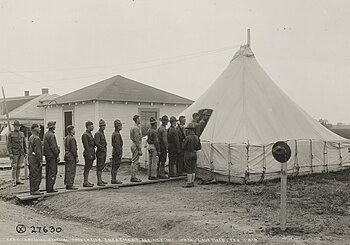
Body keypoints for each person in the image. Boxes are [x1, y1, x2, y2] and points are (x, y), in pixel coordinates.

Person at [7, 120, 27, 186]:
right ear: (14, 126)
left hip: (21, 153)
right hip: (14, 153)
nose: (18, 127)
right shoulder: (10, 134)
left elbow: (24, 144)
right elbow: (9, 145)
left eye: (19, 126)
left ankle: (18, 179)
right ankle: (14, 180)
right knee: (14, 167)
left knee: (19, 166)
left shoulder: (22, 134)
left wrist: (26, 152)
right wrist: (10, 153)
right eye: (16, 126)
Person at [182, 123, 201, 188]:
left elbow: (183, 147)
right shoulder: (197, 137)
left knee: (189, 168)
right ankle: (192, 182)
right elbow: (199, 147)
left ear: (189, 130)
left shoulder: (187, 138)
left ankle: (189, 182)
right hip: (194, 153)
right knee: (193, 168)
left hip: (188, 153)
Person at [43, 121, 60, 193]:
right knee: (53, 172)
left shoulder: (46, 134)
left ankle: (48, 187)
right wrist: (57, 155)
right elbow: (53, 147)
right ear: (52, 127)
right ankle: (50, 188)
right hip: (52, 156)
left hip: (48, 156)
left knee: (48, 171)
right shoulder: (52, 135)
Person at [28, 124, 43, 195]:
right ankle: (35, 190)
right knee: (36, 174)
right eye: (39, 128)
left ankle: (33, 189)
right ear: (35, 129)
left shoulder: (31, 137)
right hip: (35, 160)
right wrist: (40, 160)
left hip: (31, 158)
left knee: (32, 174)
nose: (40, 129)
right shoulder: (36, 138)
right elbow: (38, 151)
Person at [64, 125, 79, 190]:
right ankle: (70, 184)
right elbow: (73, 149)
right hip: (71, 155)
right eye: (73, 129)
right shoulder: (72, 138)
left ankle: (68, 183)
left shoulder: (67, 137)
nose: (74, 131)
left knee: (67, 169)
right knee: (71, 169)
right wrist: (76, 157)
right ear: (71, 131)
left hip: (67, 154)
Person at [81, 121, 95, 187]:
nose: (93, 127)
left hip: (91, 151)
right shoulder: (85, 135)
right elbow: (86, 146)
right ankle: (85, 181)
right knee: (87, 167)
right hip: (88, 152)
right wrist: (89, 154)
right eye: (91, 126)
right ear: (88, 126)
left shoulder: (89, 134)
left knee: (89, 167)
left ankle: (86, 181)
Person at [94, 119, 108, 186]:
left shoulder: (102, 133)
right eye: (103, 125)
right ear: (100, 126)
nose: (104, 127)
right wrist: (102, 149)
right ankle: (99, 181)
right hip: (100, 152)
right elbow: (97, 143)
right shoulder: (98, 133)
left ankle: (100, 179)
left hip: (103, 151)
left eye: (104, 125)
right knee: (99, 166)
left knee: (102, 166)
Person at [130, 115, 142, 182]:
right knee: (135, 161)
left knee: (134, 161)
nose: (140, 120)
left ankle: (133, 176)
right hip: (136, 145)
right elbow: (137, 139)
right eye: (139, 119)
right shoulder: (136, 128)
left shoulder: (133, 127)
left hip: (133, 144)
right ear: (137, 119)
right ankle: (133, 176)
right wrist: (139, 149)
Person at [111, 120, 123, 184]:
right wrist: (119, 153)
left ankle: (113, 178)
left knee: (114, 165)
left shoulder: (114, 133)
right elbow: (117, 145)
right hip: (116, 152)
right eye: (120, 125)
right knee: (116, 165)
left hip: (114, 152)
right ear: (118, 126)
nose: (121, 127)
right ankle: (114, 179)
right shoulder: (117, 134)